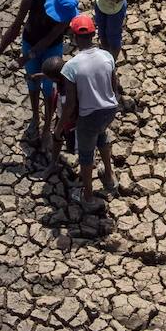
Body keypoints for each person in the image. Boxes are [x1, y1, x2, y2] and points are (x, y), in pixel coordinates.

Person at [0, 0, 79, 142]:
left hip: (52, 48)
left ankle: (47, 126)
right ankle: (35, 117)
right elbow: (15, 28)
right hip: (30, 40)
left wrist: (24, 59)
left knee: (49, 88)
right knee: (32, 80)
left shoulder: (67, 11)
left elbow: (49, 39)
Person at [54, 14, 119, 211]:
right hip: (109, 110)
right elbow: (114, 85)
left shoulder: (70, 67)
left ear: (74, 37)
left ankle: (88, 197)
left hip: (89, 116)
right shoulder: (107, 56)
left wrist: (59, 129)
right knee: (102, 136)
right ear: (93, 34)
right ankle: (109, 178)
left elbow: (70, 104)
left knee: (86, 155)